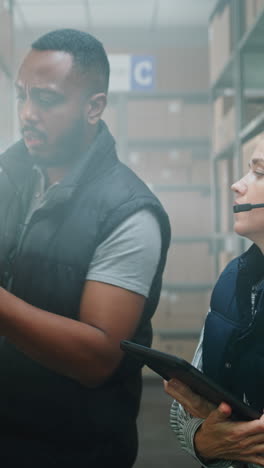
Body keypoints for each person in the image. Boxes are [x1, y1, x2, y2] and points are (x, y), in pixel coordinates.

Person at [0, 28, 171, 467]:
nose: (27, 114)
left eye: (47, 100)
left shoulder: (129, 212)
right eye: (22, 96)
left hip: (72, 451)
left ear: (94, 107)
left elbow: (97, 358)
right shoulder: (10, 175)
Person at [164, 137, 264, 468]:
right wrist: (203, 441)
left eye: (259, 173)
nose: (238, 186)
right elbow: (182, 415)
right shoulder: (233, 282)